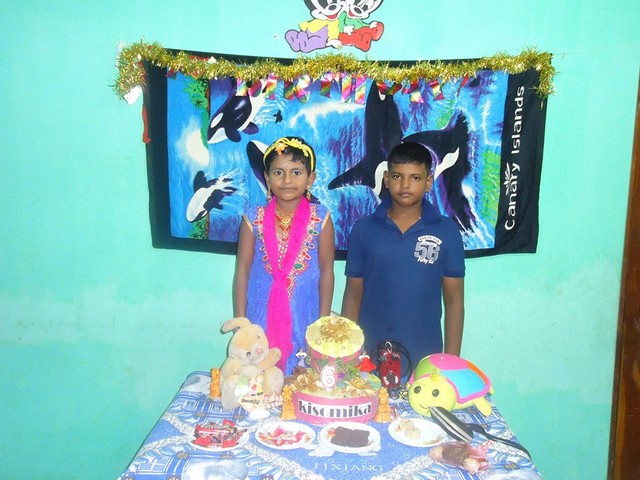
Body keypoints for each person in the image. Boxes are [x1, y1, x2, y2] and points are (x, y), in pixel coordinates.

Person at [341, 142, 465, 366]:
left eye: (415, 178)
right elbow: (352, 295)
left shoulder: (447, 231)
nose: (405, 185)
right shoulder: (364, 229)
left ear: (428, 182)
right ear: (387, 179)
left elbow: (454, 301)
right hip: (369, 354)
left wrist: (451, 362)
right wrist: (347, 354)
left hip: (425, 355)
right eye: (398, 176)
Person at [233, 136, 335, 374]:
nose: (287, 180)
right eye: (278, 172)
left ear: (311, 178)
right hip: (261, 314)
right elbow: (242, 271)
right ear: (267, 178)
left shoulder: (321, 218)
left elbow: (327, 271)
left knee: (302, 379)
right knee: (258, 379)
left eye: (296, 172)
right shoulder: (253, 218)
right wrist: (241, 323)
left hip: (305, 314)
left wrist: (322, 323)